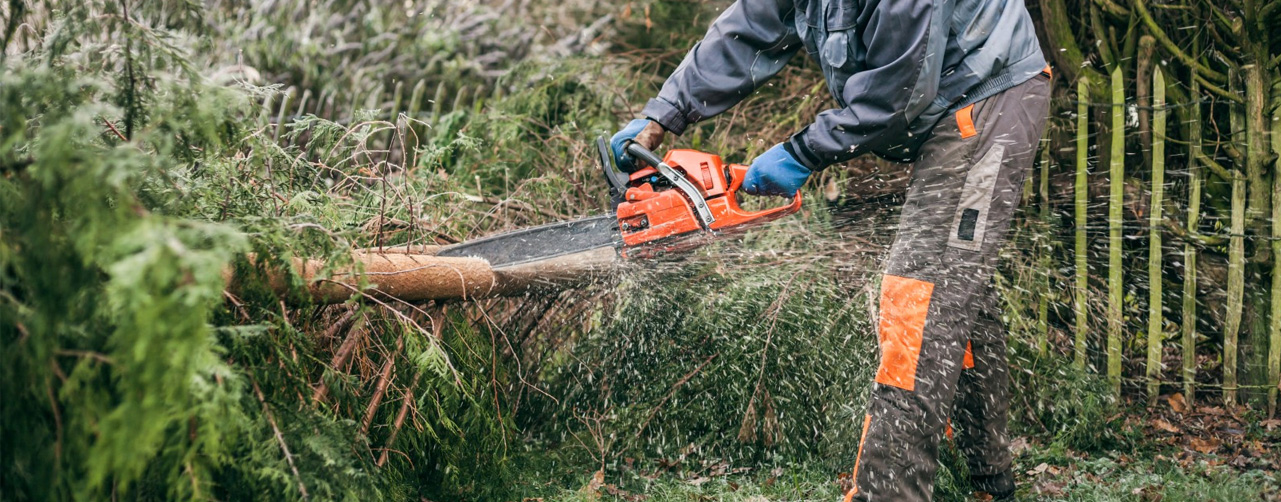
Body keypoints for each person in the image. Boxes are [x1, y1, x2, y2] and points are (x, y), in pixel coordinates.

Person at [610, 0, 1051, 500]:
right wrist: (662, 115)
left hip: (986, 99)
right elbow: (747, 29)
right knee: (953, 295)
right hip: (933, 106)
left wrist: (803, 151)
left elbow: (897, 93)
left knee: (918, 299)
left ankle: (889, 493)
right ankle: (989, 483)